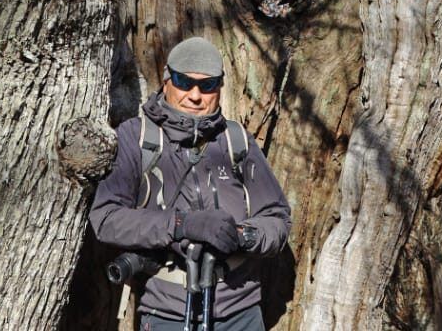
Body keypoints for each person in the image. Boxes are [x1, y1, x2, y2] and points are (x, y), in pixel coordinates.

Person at [89, 37, 291, 331]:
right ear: (167, 80)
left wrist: (241, 236)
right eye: (185, 82)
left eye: (207, 86)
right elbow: (106, 218)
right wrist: (181, 224)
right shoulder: (136, 137)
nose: (195, 95)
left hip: (241, 311)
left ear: (219, 88)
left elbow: (277, 219)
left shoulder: (235, 140)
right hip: (165, 313)